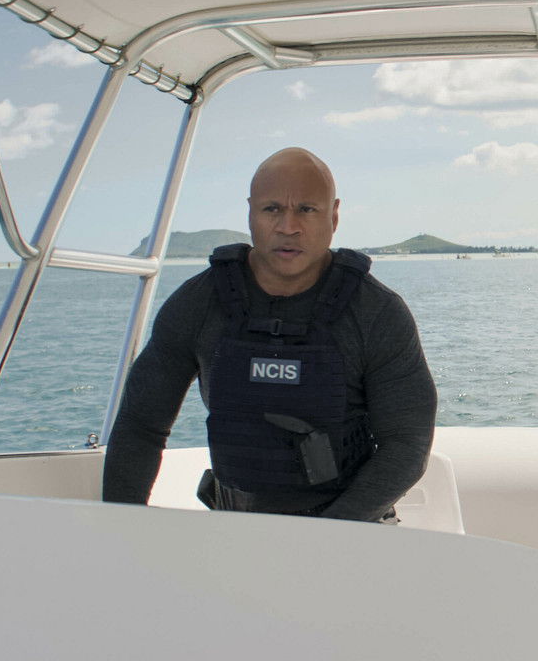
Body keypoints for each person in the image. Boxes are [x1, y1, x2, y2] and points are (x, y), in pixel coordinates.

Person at [103, 147, 437, 522]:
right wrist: (122, 527)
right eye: (272, 209)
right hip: (237, 525)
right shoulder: (199, 303)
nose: (287, 226)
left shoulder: (376, 312)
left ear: (334, 215)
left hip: (350, 526)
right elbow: (141, 426)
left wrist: (325, 535)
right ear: (250, 212)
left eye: (306, 209)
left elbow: (407, 444)